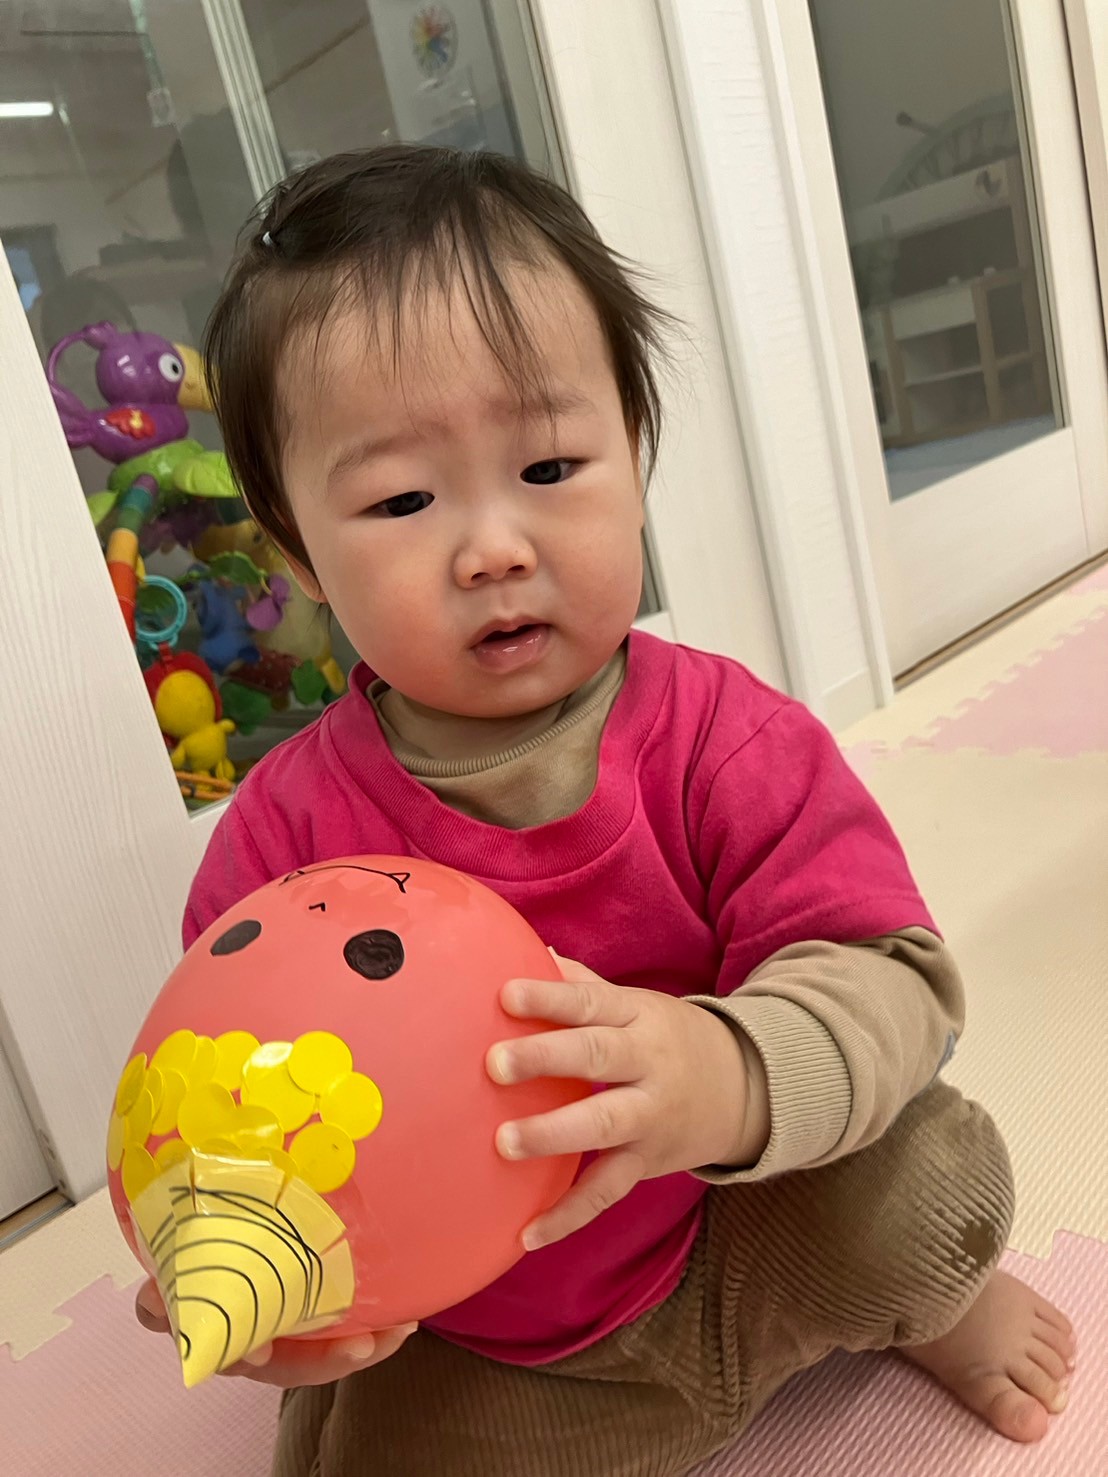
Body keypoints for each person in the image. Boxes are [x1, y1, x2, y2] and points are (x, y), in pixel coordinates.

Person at [134, 145, 1075, 1475]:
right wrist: (267, 1293)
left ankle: (924, 1308)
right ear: (300, 556)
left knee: (932, 1192)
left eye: (550, 465)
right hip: (503, 1341)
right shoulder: (282, 848)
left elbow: (894, 984)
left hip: (750, 1229)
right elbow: (239, 1108)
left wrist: (727, 1074)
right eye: (402, 500)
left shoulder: (723, 740)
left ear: (632, 458)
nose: (493, 548)